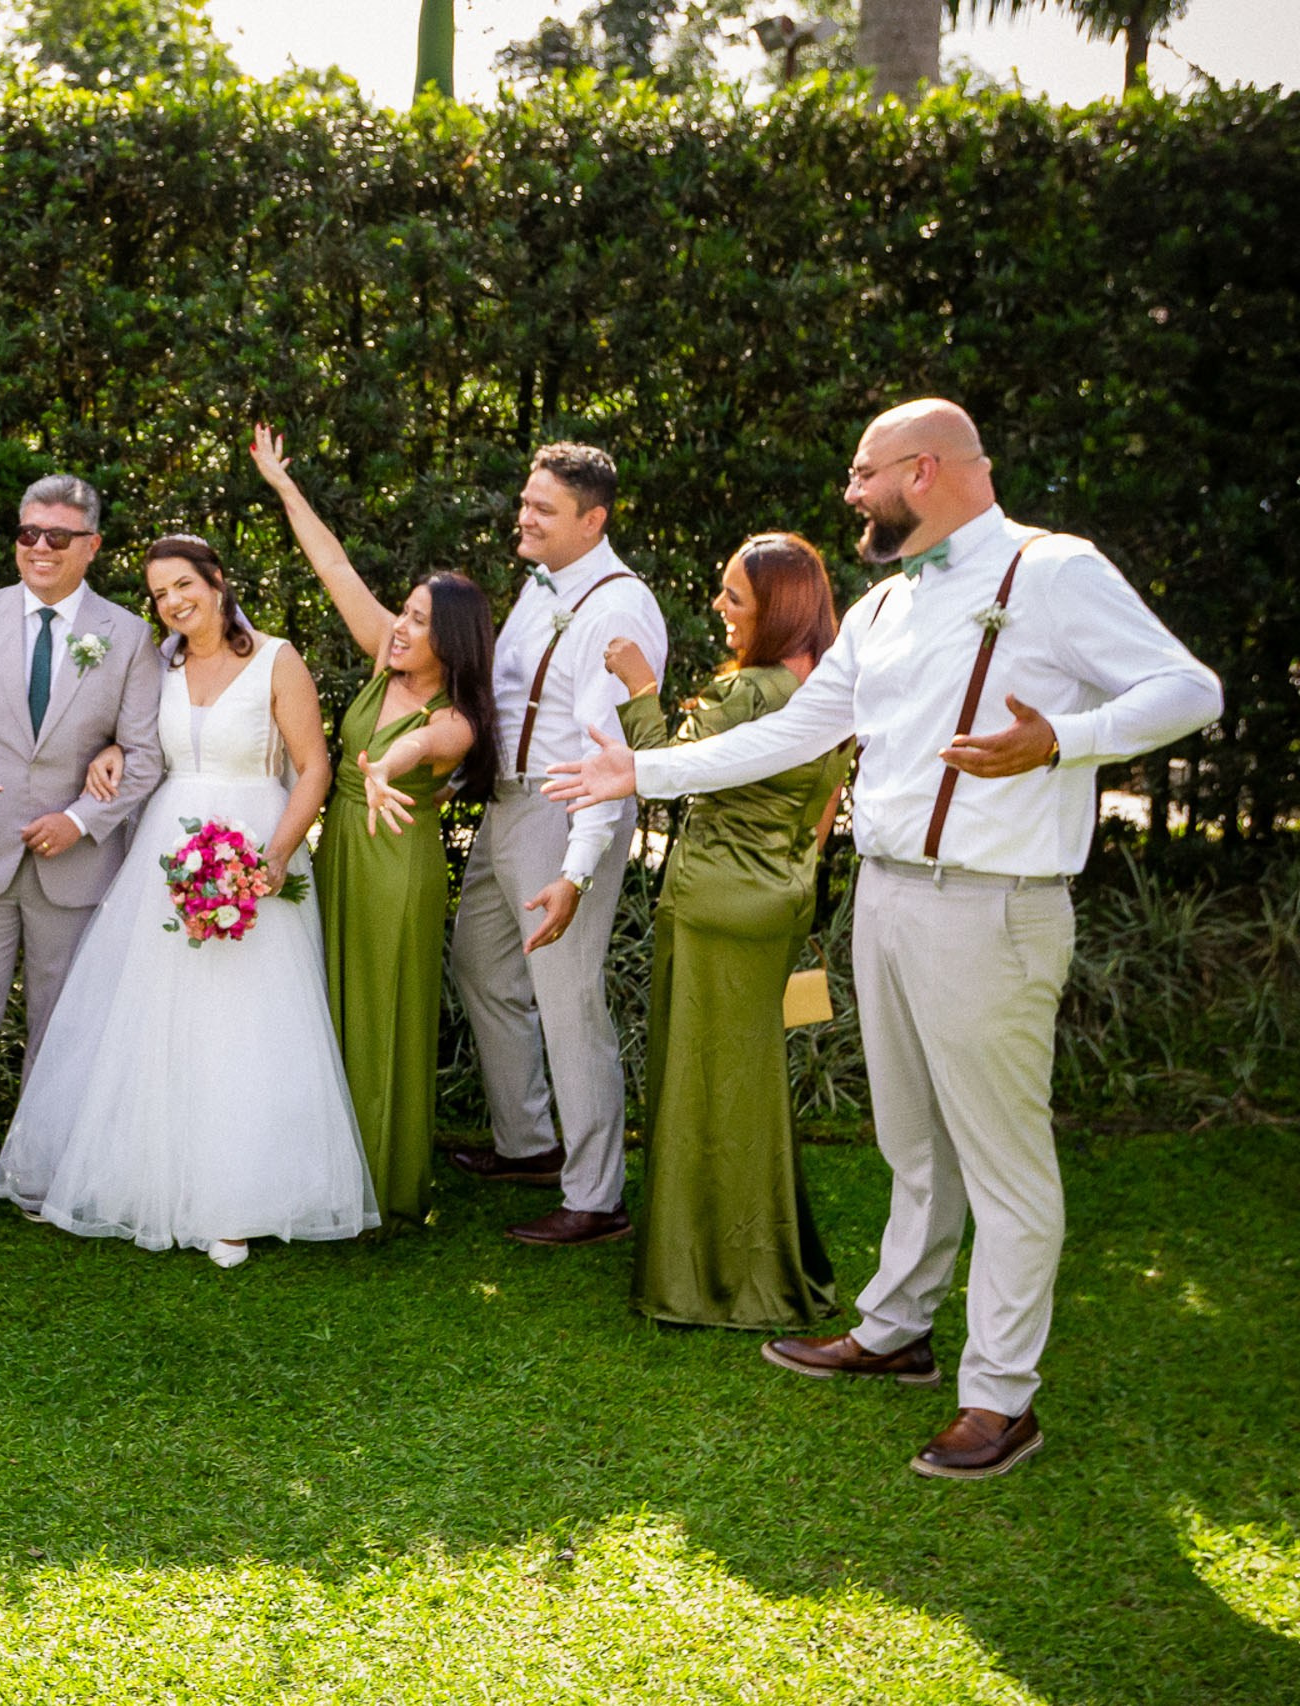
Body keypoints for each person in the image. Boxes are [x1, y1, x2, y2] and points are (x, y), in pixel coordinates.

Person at [548, 398, 1221, 1478]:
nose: (850, 493)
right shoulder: (885, 606)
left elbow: (1189, 689)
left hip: (994, 904)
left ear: (922, 468)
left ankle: (1000, 1397)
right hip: (888, 896)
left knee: (1003, 1162)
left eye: (862, 474)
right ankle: (893, 1327)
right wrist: (648, 769)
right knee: (910, 1140)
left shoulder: (1051, 571)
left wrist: (1066, 741)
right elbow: (796, 731)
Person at [0, 536, 377, 1265]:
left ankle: (237, 1198)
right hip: (168, 849)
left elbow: (313, 766)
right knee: (157, 1013)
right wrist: (108, 753)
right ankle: (146, 1179)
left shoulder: (276, 658)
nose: (172, 602)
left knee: (245, 1020)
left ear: (218, 581)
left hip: (258, 842)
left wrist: (276, 854)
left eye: (182, 586)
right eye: (160, 593)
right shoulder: (154, 661)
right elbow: (132, 742)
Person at [249, 426, 498, 1228]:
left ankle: (383, 1185)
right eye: (406, 611)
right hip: (344, 854)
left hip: (398, 867)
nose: (400, 625)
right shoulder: (381, 654)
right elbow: (334, 568)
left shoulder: (453, 716)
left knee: (383, 1012)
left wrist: (388, 766)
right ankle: (323, 1168)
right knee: (329, 1001)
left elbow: (427, 746)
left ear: (448, 640)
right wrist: (286, 488)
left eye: (419, 620)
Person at [0, 474, 167, 1227]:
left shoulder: (127, 635)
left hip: (75, 862)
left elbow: (143, 757)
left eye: (57, 536)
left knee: (62, 1017)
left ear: (92, 546)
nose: (39, 548)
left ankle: (45, 1166)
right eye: (28, 534)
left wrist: (81, 821)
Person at [602, 533, 851, 1330]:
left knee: (698, 1081)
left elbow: (661, 770)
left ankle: (703, 1275)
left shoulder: (752, 693)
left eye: (733, 597)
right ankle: (763, 1256)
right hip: (777, 902)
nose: (719, 608)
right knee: (750, 1084)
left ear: (777, 609)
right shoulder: (831, 691)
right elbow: (820, 818)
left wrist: (641, 686)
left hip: (712, 901)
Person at [445, 443, 669, 1247]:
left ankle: (596, 1196)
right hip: (505, 806)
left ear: (593, 519)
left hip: (562, 813)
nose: (524, 516)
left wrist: (577, 869)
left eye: (543, 508)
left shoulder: (616, 608)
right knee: (478, 961)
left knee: (568, 999)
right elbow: (507, 699)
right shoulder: (542, 589)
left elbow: (607, 756)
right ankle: (530, 1143)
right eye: (525, 502)